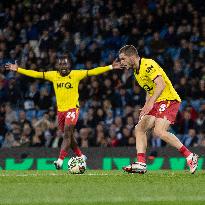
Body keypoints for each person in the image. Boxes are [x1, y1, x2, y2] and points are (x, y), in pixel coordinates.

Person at [5, 54, 121, 169]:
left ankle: (60, 160)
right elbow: (36, 74)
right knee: (69, 136)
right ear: (57, 66)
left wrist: (110, 67)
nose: (63, 66)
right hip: (60, 111)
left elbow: (93, 71)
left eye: (65, 63)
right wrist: (18, 69)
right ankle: (81, 156)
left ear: (69, 64)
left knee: (67, 133)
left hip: (72, 109)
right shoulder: (53, 75)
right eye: (61, 64)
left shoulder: (76, 74)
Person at [118, 45, 199, 174]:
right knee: (139, 128)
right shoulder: (136, 72)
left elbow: (161, 84)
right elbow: (149, 90)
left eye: (123, 59)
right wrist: (146, 107)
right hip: (156, 102)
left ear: (132, 57)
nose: (121, 63)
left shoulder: (148, 64)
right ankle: (141, 163)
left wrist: (150, 104)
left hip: (168, 99)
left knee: (159, 131)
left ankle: (190, 156)